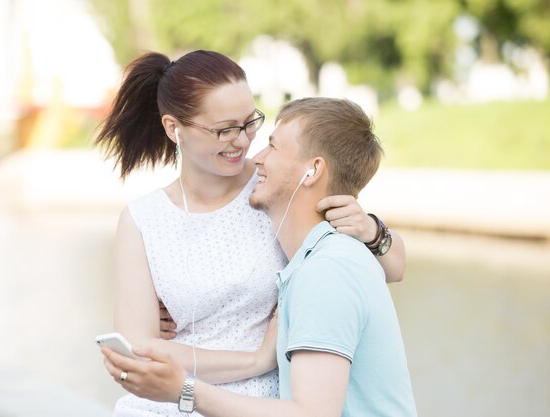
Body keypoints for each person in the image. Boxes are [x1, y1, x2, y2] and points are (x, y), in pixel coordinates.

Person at [95, 50, 407, 416]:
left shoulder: (274, 187)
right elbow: (139, 348)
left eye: (250, 123)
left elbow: (385, 268)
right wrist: (254, 359)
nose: (244, 143)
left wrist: (372, 230)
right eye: (224, 129)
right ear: (173, 129)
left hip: (262, 405)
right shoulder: (143, 219)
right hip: (168, 399)